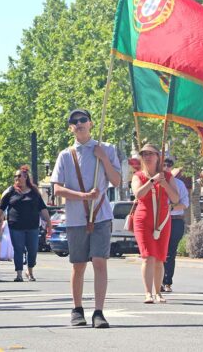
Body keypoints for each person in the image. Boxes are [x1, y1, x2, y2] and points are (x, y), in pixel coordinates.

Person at [51, 109, 121, 329]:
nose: (79, 124)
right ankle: (77, 309)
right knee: (79, 264)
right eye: (74, 122)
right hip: (76, 218)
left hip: (100, 215)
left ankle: (99, 312)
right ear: (70, 128)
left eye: (83, 120)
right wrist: (83, 196)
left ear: (91, 123)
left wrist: (103, 159)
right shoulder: (65, 155)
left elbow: (117, 181)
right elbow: (57, 189)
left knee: (99, 261)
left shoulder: (107, 149)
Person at [131, 144, 179, 304]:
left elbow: (176, 199)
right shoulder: (138, 176)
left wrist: (164, 183)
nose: (147, 157)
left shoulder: (167, 176)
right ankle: (148, 293)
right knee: (147, 256)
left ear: (158, 156)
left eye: (151, 154)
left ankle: (158, 292)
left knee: (159, 258)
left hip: (163, 220)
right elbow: (138, 194)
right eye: (144, 154)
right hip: (143, 220)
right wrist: (152, 181)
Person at [0, 165, 52, 282]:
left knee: (32, 250)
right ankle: (19, 274)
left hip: (32, 226)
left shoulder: (34, 192)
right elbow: (1, 208)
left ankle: (30, 271)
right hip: (15, 226)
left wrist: (49, 223)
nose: (16, 178)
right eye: (15, 176)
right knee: (18, 249)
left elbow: (42, 209)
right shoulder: (11, 191)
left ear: (25, 177)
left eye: (19, 176)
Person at [162, 159, 189, 293]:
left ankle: (167, 282)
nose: (166, 167)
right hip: (160, 221)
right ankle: (158, 281)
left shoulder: (179, 184)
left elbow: (185, 203)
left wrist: (171, 207)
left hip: (175, 220)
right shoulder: (156, 182)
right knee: (158, 252)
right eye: (164, 165)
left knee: (170, 253)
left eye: (169, 165)